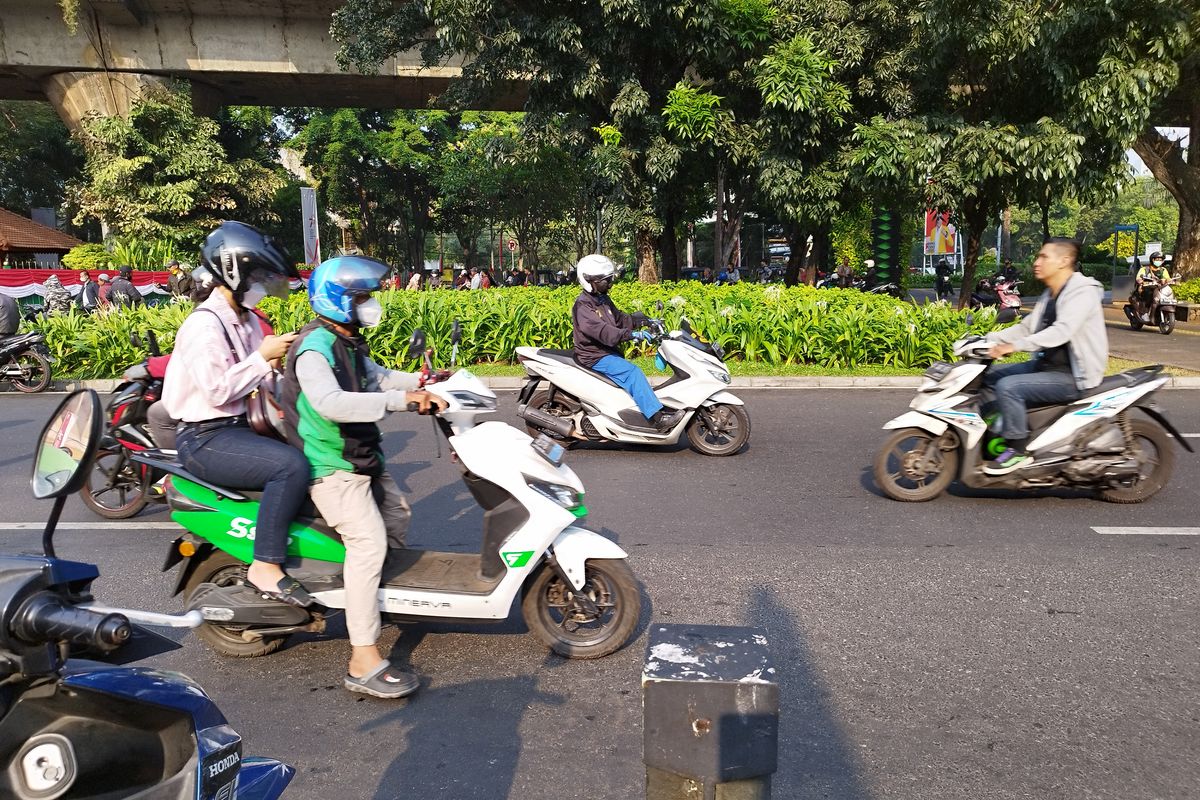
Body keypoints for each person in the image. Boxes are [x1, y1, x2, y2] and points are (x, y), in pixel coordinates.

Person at [280, 255, 445, 698]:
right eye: (362, 297)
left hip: (361, 456)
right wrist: (403, 402)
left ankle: (371, 599)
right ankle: (362, 656)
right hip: (332, 466)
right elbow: (331, 403)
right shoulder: (314, 348)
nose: (371, 304)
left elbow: (377, 379)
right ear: (338, 301)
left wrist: (425, 383)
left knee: (397, 516)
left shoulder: (348, 340)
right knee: (369, 544)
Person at [162, 221, 311, 605]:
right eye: (259, 276)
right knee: (289, 467)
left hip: (240, 426)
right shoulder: (203, 326)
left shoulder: (246, 321)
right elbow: (217, 389)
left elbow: (266, 381)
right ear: (235, 274)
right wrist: (263, 358)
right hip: (206, 437)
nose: (263, 285)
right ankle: (265, 564)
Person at [982, 238, 1107, 475]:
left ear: (1064, 261)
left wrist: (1014, 347)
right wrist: (988, 340)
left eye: (1043, 257)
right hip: (1046, 366)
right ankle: (996, 432)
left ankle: (1018, 450)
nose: (1036, 262)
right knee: (989, 377)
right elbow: (1028, 327)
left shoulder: (1082, 292)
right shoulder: (1051, 292)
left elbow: (1062, 331)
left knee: (1009, 387)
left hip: (1073, 376)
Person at [572, 254, 684, 431]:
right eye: (605, 280)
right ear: (589, 280)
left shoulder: (602, 300)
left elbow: (620, 319)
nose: (610, 283)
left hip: (606, 352)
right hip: (594, 355)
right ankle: (657, 420)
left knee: (630, 375)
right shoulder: (584, 306)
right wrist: (633, 335)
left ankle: (641, 407)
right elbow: (603, 332)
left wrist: (646, 320)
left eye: (610, 279)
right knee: (633, 373)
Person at [1133, 251, 1170, 320]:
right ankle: (1145, 313)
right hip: (1146, 288)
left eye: (1160, 259)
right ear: (1152, 260)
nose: (1159, 261)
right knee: (1149, 294)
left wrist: (1168, 280)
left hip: (1159, 288)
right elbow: (1138, 278)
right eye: (1157, 259)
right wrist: (1141, 280)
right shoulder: (1144, 269)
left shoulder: (1163, 270)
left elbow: (1167, 278)